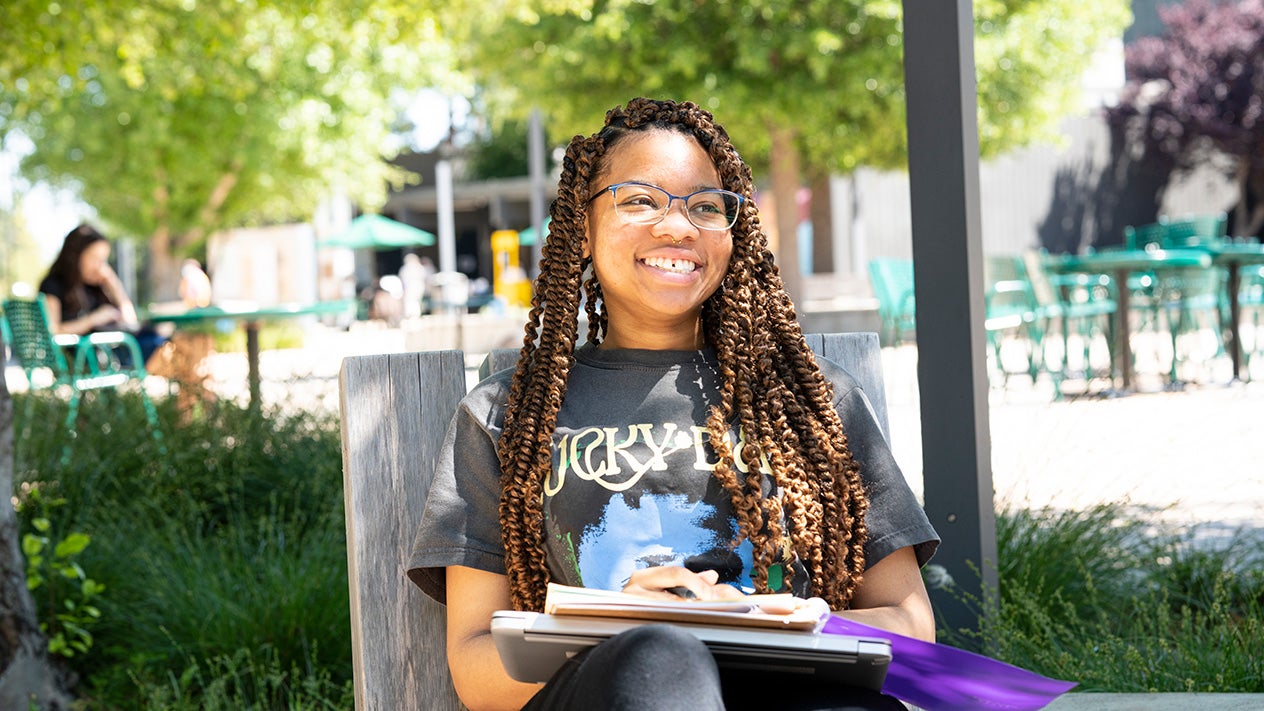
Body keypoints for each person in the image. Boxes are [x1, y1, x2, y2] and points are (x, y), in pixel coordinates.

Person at [407, 98, 939, 711]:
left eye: (706, 207)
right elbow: (476, 673)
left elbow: (910, 623)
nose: (678, 227)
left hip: (784, 684)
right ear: (581, 229)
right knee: (661, 660)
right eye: (640, 200)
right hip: (616, 690)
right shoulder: (508, 416)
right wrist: (629, 626)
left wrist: (789, 616)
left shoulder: (812, 401)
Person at [38, 223, 165, 366]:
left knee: (160, 340)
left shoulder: (96, 286)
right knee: (165, 347)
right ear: (75, 255)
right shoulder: (53, 285)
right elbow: (53, 332)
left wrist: (113, 283)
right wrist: (93, 319)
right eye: (94, 258)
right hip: (88, 357)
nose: (99, 266)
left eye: (103, 260)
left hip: (113, 349)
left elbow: (131, 321)